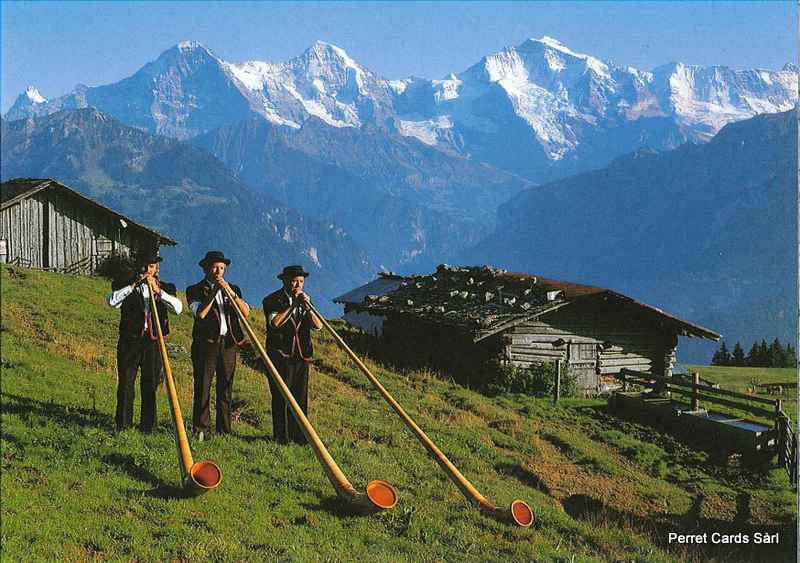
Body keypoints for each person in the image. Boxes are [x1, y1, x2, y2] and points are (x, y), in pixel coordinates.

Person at [106, 252, 182, 433]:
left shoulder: (166, 287)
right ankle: (123, 425)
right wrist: (133, 285)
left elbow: (178, 309)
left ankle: (149, 426)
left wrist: (159, 293)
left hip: (154, 343)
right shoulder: (125, 284)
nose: (148, 270)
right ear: (139, 268)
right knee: (126, 383)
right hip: (130, 341)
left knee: (150, 383)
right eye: (145, 266)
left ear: (156, 269)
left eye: (152, 267)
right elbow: (111, 302)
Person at [185, 251, 250, 441]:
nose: (218, 272)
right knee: (203, 386)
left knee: (226, 387)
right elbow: (200, 314)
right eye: (214, 267)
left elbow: (245, 312)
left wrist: (230, 294)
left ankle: (224, 429)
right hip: (206, 344)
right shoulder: (195, 289)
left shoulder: (234, 288)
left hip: (229, 343)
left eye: (221, 268)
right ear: (206, 269)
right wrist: (214, 292)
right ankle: (201, 429)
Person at [262, 265, 322, 444]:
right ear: (285, 281)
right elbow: (275, 323)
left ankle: (300, 437)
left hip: (301, 356)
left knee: (300, 397)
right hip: (280, 355)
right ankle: (281, 437)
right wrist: (294, 304)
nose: (298, 285)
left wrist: (308, 307)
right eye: (295, 280)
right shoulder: (272, 300)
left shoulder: (306, 301)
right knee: (280, 397)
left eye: (301, 281)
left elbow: (318, 326)